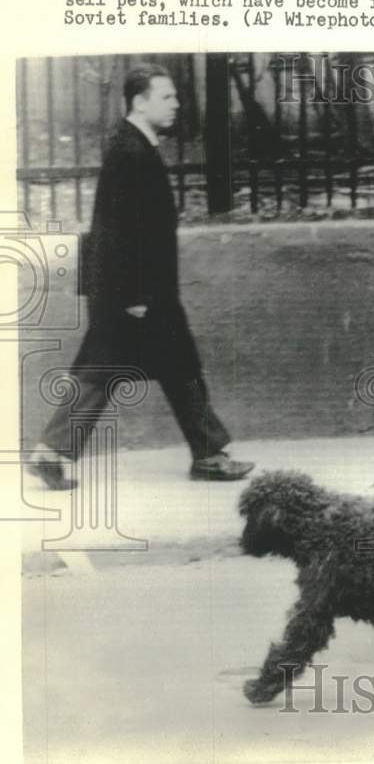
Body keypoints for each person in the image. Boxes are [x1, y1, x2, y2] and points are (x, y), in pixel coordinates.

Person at [27, 64, 254, 489]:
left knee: (166, 366)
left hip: (138, 290)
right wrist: (131, 295)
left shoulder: (132, 145)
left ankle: (206, 453)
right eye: (167, 97)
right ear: (140, 101)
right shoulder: (130, 152)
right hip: (135, 293)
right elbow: (115, 230)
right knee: (115, 370)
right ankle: (53, 453)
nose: (176, 105)